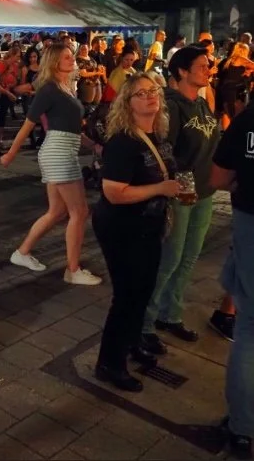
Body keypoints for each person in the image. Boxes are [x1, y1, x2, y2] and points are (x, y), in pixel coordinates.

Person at [92, 73, 180, 392]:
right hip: (122, 228)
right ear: (127, 104)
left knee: (142, 291)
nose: (150, 97)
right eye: (141, 93)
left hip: (148, 226)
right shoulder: (122, 142)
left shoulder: (158, 135)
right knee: (127, 296)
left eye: (153, 90)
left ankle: (131, 345)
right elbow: (114, 192)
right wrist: (161, 187)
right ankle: (109, 364)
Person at [140, 45, 220, 354]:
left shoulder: (201, 104)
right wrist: (177, 183)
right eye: (201, 65)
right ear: (181, 71)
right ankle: (145, 324)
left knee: (189, 256)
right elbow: (163, 148)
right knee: (170, 257)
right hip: (181, 190)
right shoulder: (171, 106)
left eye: (208, 64)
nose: (208, 69)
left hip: (205, 191)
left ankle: (169, 314)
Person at [1, 44, 102, 286]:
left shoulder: (65, 88)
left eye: (71, 56)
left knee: (57, 212)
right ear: (54, 61)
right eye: (66, 57)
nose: (71, 59)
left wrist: (94, 146)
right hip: (58, 152)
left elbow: (71, 128)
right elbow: (28, 124)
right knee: (79, 212)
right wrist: (10, 154)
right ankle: (73, 270)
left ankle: (22, 252)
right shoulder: (48, 89)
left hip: (66, 148)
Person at [210, 100, 254, 458]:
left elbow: (219, 177)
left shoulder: (248, 120)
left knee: (250, 329)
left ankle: (242, 426)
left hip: (251, 221)